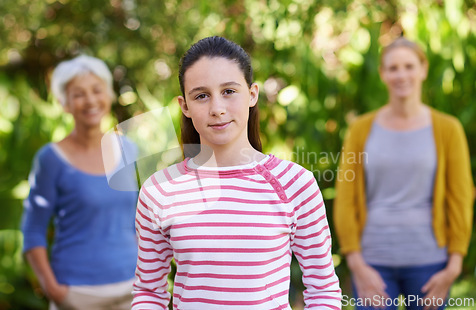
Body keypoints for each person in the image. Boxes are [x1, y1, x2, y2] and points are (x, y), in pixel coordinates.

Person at [131, 36, 342, 309]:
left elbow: (323, 288)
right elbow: (149, 292)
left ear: (252, 94)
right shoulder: (159, 189)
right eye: (201, 96)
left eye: (229, 91)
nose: (217, 109)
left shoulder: (295, 184)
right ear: (185, 106)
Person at [334, 37, 473, 310]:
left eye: (409, 66)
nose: (401, 75)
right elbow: (346, 197)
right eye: (393, 68)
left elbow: (461, 197)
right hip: (372, 264)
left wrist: (453, 267)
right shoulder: (360, 130)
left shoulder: (448, 129)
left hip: (429, 265)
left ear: (423, 69)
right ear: (383, 73)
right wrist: (356, 264)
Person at [21, 55, 138, 310]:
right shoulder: (50, 159)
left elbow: (139, 220)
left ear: (108, 94)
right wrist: (55, 291)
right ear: (64, 103)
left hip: (132, 290)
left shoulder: (129, 149)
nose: (91, 100)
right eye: (78, 94)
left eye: (97, 90)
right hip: (75, 293)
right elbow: (32, 231)